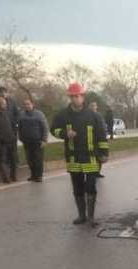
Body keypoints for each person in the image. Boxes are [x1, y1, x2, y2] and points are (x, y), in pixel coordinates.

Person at [51, 83, 108, 227]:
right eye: (72, 96)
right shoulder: (62, 115)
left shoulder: (93, 116)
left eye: (78, 96)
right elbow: (53, 130)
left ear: (83, 97)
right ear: (69, 97)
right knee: (77, 188)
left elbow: (102, 136)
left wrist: (104, 153)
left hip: (91, 158)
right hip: (73, 158)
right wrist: (64, 134)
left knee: (91, 187)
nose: (75, 99)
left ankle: (91, 217)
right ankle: (81, 216)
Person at [17, 99, 49, 182]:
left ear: (32, 104)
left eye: (28, 104)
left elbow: (45, 127)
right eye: (25, 104)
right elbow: (19, 127)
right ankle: (33, 175)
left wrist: (44, 139)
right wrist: (20, 137)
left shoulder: (39, 114)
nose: (26, 106)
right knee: (30, 159)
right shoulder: (22, 114)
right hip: (27, 141)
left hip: (38, 141)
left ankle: (39, 176)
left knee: (38, 159)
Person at [0, 96, 18, 183]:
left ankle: (13, 176)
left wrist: (14, 136)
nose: (5, 105)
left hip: (11, 140)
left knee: (13, 159)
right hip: (2, 142)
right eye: (3, 104)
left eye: (5, 104)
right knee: (3, 160)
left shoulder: (7, 113)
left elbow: (12, 125)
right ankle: (6, 178)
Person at [89, 101, 106, 178]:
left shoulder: (99, 116)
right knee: (92, 158)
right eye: (91, 106)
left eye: (94, 106)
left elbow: (102, 126)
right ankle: (92, 173)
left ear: (96, 107)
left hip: (99, 138)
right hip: (91, 139)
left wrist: (104, 134)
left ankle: (97, 172)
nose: (93, 107)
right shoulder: (87, 115)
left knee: (99, 157)